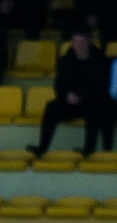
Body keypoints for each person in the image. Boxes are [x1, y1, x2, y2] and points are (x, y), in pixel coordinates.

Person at [35, 29, 110, 157]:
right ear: (72, 43)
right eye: (77, 42)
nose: (79, 45)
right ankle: (42, 148)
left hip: (91, 101)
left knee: (96, 107)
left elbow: (101, 87)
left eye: (83, 42)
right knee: (51, 106)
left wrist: (84, 97)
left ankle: (89, 149)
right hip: (69, 102)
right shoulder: (65, 61)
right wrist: (67, 96)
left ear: (89, 42)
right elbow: (59, 86)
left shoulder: (100, 61)